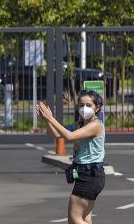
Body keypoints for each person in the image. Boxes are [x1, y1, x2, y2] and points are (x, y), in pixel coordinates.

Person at [37, 90, 106, 224]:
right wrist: (46, 120)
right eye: (81, 105)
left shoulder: (96, 125)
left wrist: (51, 118)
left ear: (97, 108)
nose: (84, 108)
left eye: (88, 105)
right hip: (87, 174)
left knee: (74, 219)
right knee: (85, 217)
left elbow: (70, 136)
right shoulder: (80, 124)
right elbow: (58, 134)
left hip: (89, 175)